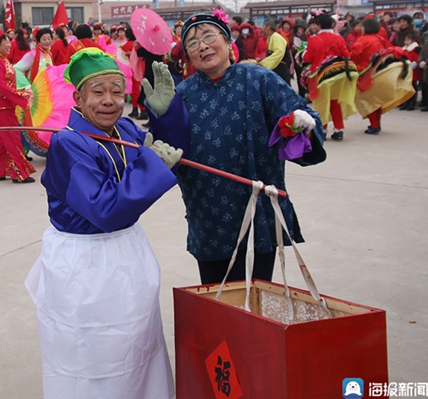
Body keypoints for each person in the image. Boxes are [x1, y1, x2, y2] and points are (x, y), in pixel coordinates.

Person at [25, 47, 181, 399]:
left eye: (117, 92)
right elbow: (104, 208)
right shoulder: (68, 143)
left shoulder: (123, 127)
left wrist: (164, 115)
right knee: (93, 355)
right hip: (85, 267)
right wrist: (152, 165)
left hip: (128, 253)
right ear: (78, 97)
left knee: (138, 344)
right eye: (98, 92)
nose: (109, 101)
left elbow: (170, 150)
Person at [147, 11, 326, 285]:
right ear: (189, 56)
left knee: (255, 298)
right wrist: (162, 117)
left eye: (208, 36)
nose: (202, 46)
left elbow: (297, 116)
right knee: (217, 304)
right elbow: (169, 150)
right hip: (207, 214)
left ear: (228, 42)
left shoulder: (258, 79)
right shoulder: (183, 94)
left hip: (257, 212)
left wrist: (304, 124)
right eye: (192, 43)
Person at [0, 30, 36, 183]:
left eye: (8, 41)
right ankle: (19, 173)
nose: (9, 45)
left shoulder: (2, 59)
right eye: (5, 42)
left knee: (4, 138)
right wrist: (21, 96)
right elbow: (1, 86)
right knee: (12, 137)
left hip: (5, 104)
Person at [350, 18, 413, 134]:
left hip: (366, 73)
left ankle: (374, 125)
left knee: (368, 100)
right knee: (376, 100)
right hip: (380, 72)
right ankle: (377, 124)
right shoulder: (381, 39)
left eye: (362, 26)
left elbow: (354, 56)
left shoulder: (362, 40)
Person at [303, 12, 357, 141]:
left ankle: (323, 129)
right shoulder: (338, 38)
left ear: (319, 24)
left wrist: (303, 53)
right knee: (334, 101)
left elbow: (308, 58)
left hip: (320, 75)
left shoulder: (314, 39)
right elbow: (346, 54)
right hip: (337, 74)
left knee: (321, 102)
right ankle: (339, 129)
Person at [258, 18, 291, 83]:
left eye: (263, 27)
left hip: (281, 70)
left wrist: (264, 64)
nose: (262, 29)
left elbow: (279, 52)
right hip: (276, 69)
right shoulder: (271, 37)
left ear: (268, 27)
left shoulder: (276, 37)